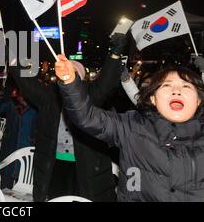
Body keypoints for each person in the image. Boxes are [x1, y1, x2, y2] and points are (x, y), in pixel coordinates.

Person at [55, 54, 204, 201]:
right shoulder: (131, 126)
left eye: (186, 86)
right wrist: (69, 81)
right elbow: (86, 116)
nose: (176, 91)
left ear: (198, 100)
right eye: (167, 85)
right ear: (153, 99)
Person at [7, 33, 127, 202]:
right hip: (53, 165)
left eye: (72, 72)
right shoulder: (49, 96)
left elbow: (106, 84)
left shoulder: (92, 97)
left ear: (82, 79)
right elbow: (27, 83)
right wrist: (12, 60)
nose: (66, 75)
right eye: (62, 72)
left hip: (86, 167)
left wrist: (114, 54)